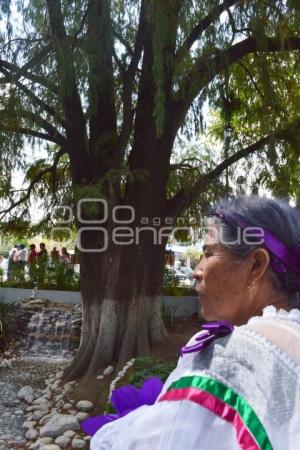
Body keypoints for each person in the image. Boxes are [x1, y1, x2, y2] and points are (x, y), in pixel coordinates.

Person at [89, 196, 300, 450]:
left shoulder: (235, 357)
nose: (196, 270)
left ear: (256, 265)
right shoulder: (288, 339)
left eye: (209, 253)